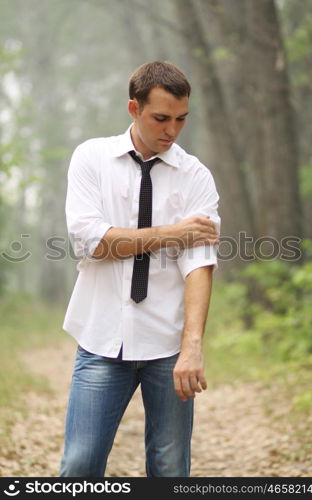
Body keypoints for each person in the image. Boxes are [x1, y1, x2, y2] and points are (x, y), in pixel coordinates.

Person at [60, 61, 220, 478]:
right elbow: (92, 242)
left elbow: (199, 264)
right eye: (161, 118)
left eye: (181, 119)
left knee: (170, 471)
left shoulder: (196, 177)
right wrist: (174, 233)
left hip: (168, 347)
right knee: (79, 466)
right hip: (100, 340)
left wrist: (193, 345)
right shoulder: (91, 158)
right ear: (134, 108)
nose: (172, 130)